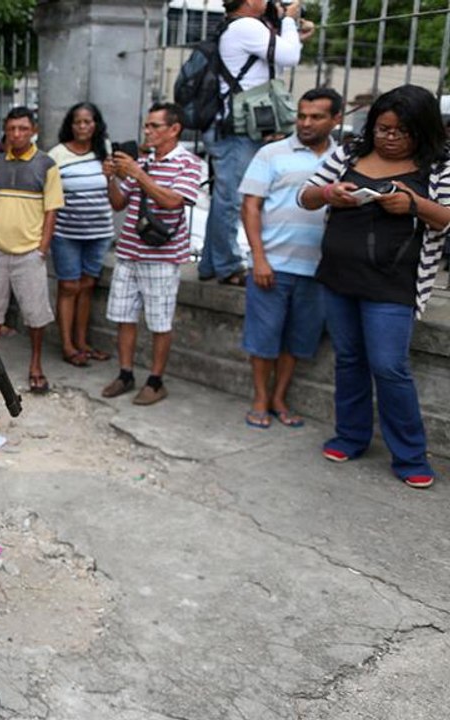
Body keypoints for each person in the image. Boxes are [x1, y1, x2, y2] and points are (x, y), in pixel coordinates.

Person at [299, 85, 450, 489]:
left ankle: (410, 455)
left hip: (394, 284)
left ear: (421, 131)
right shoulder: (349, 153)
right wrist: (332, 193)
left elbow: (448, 217)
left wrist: (413, 204)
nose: (388, 137)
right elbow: (306, 196)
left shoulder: (437, 167)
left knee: (389, 366)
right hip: (339, 276)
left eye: (400, 131)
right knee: (349, 359)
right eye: (382, 128)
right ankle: (351, 436)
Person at [238, 88, 341, 429]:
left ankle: (280, 397)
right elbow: (250, 206)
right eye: (301, 115)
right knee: (264, 338)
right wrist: (259, 259)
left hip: (318, 270)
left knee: (299, 340)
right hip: (273, 265)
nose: (306, 123)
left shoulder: (343, 160)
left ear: (335, 120)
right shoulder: (272, 153)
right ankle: (259, 398)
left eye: (316, 117)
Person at [201, 0, 312, 286]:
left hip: (236, 126)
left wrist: (291, 27)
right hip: (237, 129)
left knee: (224, 197)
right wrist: (287, 20)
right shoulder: (247, 26)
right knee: (232, 199)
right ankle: (228, 265)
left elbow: (285, 48)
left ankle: (212, 263)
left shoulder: (243, 27)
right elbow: (288, 56)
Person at [102, 103, 205, 405]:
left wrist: (137, 173)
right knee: (124, 317)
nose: (147, 131)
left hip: (162, 256)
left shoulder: (189, 162)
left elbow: (174, 201)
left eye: (154, 126)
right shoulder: (142, 161)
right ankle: (125, 374)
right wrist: (111, 177)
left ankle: (156, 381)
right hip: (129, 252)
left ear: (174, 129)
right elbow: (119, 204)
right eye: (146, 125)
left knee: (160, 322)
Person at [0, 106, 62, 393]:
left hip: (29, 252)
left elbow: (51, 211)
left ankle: (35, 364)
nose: (16, 134)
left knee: (36, 314)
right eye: (11, 129)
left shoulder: (46, 165)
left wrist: (42, 248)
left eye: (23, 128)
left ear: (33, 130)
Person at [50, 102, 115, 368]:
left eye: (88, 122)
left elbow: (114, 192)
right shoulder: (57, 155)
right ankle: (67, 345)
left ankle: (83, 343)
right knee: (68, 287)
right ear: (70, 125)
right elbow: (50, 196)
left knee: (88, 286)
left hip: (99, 232)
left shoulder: (105, 151)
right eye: (78, 122)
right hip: (66, 232)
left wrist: (112, 177)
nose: (83, 126)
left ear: (96, 124)